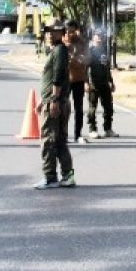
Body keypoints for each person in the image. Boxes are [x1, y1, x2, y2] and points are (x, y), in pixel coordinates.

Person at [35, 20, 75, 189]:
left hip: (55, 102)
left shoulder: (59, 50)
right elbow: (52, 78)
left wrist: (52, 100)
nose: (50, 34)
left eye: (54, 31)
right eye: (48, 31)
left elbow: (58, 76)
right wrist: (42, 99)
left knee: (48, 140)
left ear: (62, 33)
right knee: (58, 140)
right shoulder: (57, 51)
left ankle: (50, 177)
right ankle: (67, 175)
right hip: (54, 100)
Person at [87, 30, 117, 138]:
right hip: (93, 84)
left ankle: (108, 129)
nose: (100, 38)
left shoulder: (104, 51)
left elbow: (107, 68)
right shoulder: (89, 51)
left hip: (104, 83)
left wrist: (111, 82)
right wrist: (86, 83)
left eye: (101, 36)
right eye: (97, 36)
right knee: (92, 108)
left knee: (108, 107)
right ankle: (92, 129)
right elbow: (85, 68)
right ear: (93, 37)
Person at [64, 20, 90, 144]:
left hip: (78, 79)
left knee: (78, 109)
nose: (70, 34)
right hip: (64, 80)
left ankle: (78, 134)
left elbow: (86, 60)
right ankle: (63, 134)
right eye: (68, 32)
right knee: (64, 108)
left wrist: (86, 81)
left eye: (73, 32)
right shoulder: (61, 43)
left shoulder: (81, 42)